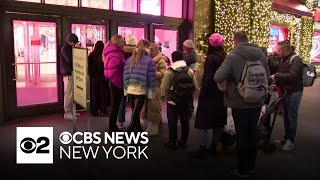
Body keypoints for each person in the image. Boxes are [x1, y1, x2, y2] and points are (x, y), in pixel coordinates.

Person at [214, 31, 269, 177]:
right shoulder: (261, 55)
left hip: (240, 101)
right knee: (252, 134)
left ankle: (243, 169)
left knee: (242, 136)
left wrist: (224, 82)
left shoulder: (233, 56)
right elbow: (267, 76)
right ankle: (251, 166)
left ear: (235, 42)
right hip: (257, 100)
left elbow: (218, 76)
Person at [192, 33, 227, 159]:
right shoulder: (225, 56)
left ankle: (202, 146)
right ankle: (214, 145)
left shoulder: (211, 58)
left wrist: (203, 90)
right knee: (218, 121)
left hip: (209, 93)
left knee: (204, 121)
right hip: (221, 92)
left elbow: (208, 77)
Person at [270, 41, 304, 151]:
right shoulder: (283, 59)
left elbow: (292, 75)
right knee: (286, 116)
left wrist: (276, 75)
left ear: (285, 50)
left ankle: (291, 141)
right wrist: (276, 84)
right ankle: (286, 138)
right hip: (285, 91)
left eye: (279, 50)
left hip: (294, 92)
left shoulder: (296, 59)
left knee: (291, 116)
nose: (277, 51)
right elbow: (283, 76)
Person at [162, 50, 198, 149]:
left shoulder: (170, 71)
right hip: (186, 101)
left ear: (173, 59)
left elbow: (165, 87)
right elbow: (195, 86)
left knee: (172, 121)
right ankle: (183, 141)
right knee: (185, 120)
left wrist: (167, 97)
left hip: (173, 100)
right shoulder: (189, 70)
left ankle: (172, 142)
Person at [123, 39, 156, 133]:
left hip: (130, 90)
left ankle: (139, 131)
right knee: (135, 113)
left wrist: (125, 89)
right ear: (147, 48)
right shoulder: (150, 61)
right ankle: (128, 135)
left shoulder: (130, 59)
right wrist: (151, 93)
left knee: (135, 113)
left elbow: (125, 76)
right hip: (141, 90)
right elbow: (151, 78)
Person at [104, 35, 126, 132]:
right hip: (115, 83)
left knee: (115, 106)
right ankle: (112, 129)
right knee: (115, 106)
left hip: (114, 82)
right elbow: (113, 72)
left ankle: (112, 127)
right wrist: (119, 84)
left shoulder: (113, 52)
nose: (124, 43)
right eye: (122, 41)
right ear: (117, 43)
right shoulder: (115, 54)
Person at [143, 43, 166, 136]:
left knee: (155, 107)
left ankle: (155, 128)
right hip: (149, 86)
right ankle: (150, 127)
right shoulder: (149, 60)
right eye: (150, 50)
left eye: (152, 50)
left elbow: (162, 74)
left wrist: (151, 72)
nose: (150, 52)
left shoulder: (161, 61)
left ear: (157, 50)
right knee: (149, 108)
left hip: (156, 87)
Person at [117, 33, 137, 129]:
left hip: (124, 78)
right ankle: (134, 122)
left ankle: (120, 122)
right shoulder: (137, 53)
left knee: (122, 101)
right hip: (134, 79)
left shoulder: (122, 52)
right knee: (134, 101)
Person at [60, 33, 80, 120]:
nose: (75, 44)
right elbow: (70, 60)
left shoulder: (68, 48)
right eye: (74, 43)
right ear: (70, 41)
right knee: (69, 94)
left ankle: (71, 111)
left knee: (71, 93)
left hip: (69, 73)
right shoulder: (65, 49)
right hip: (68, 73)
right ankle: (67, 112)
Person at [88, 41, 107, 116]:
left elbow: (88, 66)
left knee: (94, 94)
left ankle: (94, 111)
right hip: (102, 77)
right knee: (102, 94)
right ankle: (102, 110)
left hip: (93, 78)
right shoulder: (104, 55)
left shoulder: (91, 55)